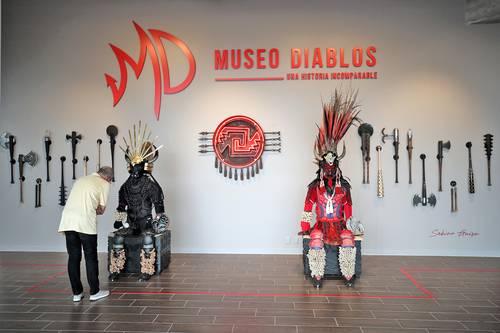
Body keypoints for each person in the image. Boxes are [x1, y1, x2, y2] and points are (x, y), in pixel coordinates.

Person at [58, 166, 113, 302]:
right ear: (108, 178)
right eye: (110, 180)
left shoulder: (81, 180)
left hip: (68, 220)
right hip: (85, 222)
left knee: (74, 257)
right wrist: (95, 207)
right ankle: (95, 292)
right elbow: (101, 210)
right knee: (90, 256)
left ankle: (77, 293)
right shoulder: (104, 183)